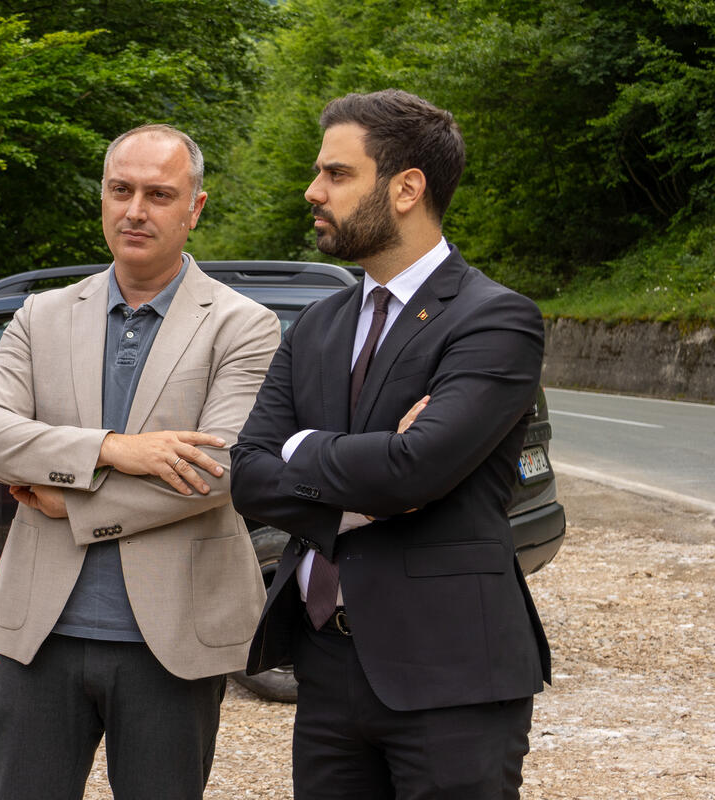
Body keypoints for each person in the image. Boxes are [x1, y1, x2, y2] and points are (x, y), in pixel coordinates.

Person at [230, 89, 552, 799]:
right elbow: (248, 474)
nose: (314, 191)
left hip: (451, 673)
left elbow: (414, 470)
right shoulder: (316, 325)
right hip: (324, 663)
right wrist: (369, 480)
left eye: (337, 174)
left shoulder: (495, 319)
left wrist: (301, 448)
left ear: (407, 189)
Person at [0, 123, 280, 799]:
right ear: (102, 197)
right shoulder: (40, 316)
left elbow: (217, 472)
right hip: (40, 633)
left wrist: (70, 501)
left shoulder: (243, 324)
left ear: (195, 208)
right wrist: (110, 449)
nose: (136, 210)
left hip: (172, 637)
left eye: (159, 194)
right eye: (121, 190)